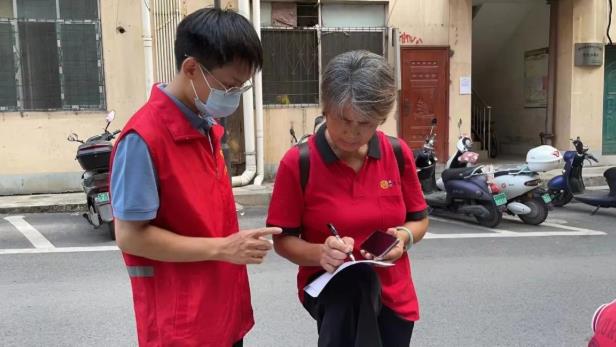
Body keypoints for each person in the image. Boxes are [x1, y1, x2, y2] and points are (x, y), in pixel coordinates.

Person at [109, 9, 280, 347]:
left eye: (240, 87)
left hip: (222, 316)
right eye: (229, 85)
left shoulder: (205, 129)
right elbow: (130, 236)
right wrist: (223, 247)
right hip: (182, 327)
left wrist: (229, 246)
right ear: (191, 69)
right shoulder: (144, 140)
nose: (233, 95)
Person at [266, 50, 430, 347]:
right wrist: (321, 254)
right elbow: (283, 240)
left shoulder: (396, 153)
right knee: (354, 286)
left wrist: (403, 238)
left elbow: (419, 219)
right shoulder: (299, 163)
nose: (353, 132)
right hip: (332, 289)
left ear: (381, 118)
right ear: (326, 108)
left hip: (394, 291)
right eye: (343, 119)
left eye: (366, 123)